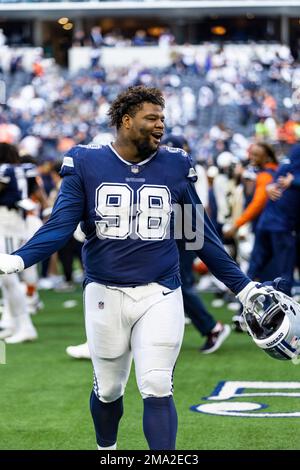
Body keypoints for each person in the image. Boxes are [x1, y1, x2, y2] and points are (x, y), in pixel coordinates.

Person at [0, 86, 276, 450]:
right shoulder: (85, 161)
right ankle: (108, 451)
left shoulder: (176, 164)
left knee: (157, 384)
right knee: (110, 388)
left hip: (160, 291)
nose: (160, 125)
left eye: (162, 118)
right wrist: (18, 259)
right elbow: (60, 225)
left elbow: (197, 235)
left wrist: (245, 288)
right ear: (126, 121)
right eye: (152, 118)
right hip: (105, 291)